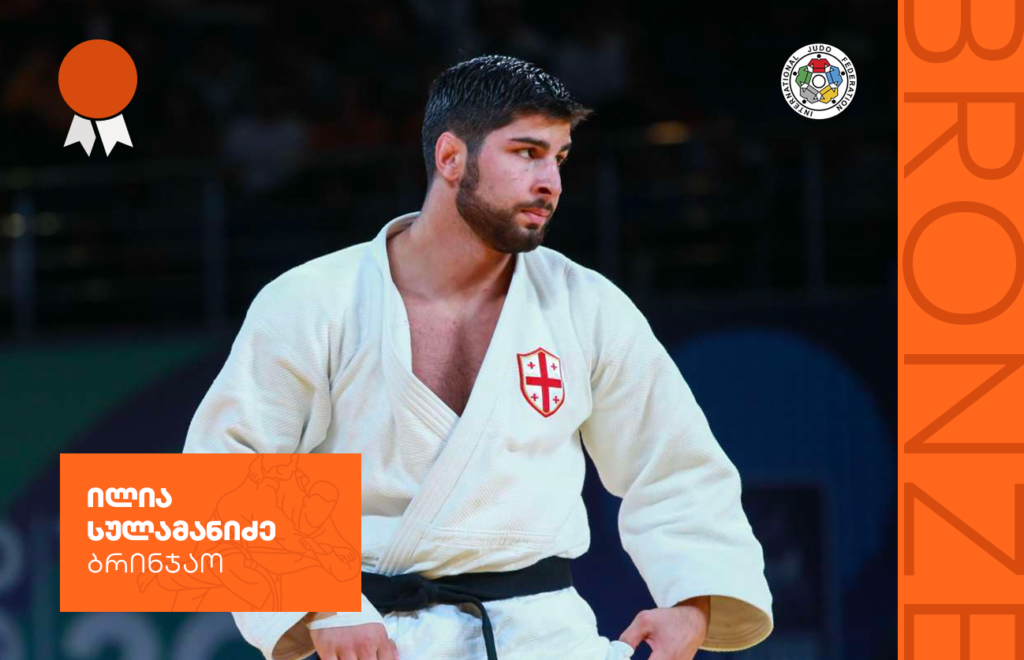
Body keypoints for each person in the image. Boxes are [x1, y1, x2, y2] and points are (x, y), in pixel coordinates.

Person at [184, 54, 773, 660]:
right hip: (373, 636)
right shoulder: (314, 300)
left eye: (559, 157)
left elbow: (674, 464)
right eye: (526, 152)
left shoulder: (586, 305)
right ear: (450, 158)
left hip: (545, 638)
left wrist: (694, 601)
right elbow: (221, 470)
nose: (551, 182)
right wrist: (319, 604)